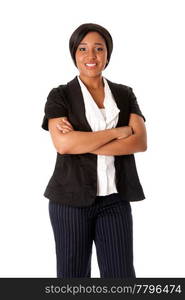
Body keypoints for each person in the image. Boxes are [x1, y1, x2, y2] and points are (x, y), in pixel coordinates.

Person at [41, 23, 147, 278]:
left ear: (108, 54)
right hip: (69, 201)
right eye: (83, 49)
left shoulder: (124, 94)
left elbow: (140, 142)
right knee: (73, 279)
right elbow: (64, 145)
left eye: (99, 49)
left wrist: (85, 141)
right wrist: (117, 132)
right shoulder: (60, 96)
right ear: (74, 54)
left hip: (115, 200)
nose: (91, 57)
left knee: (121, 278)